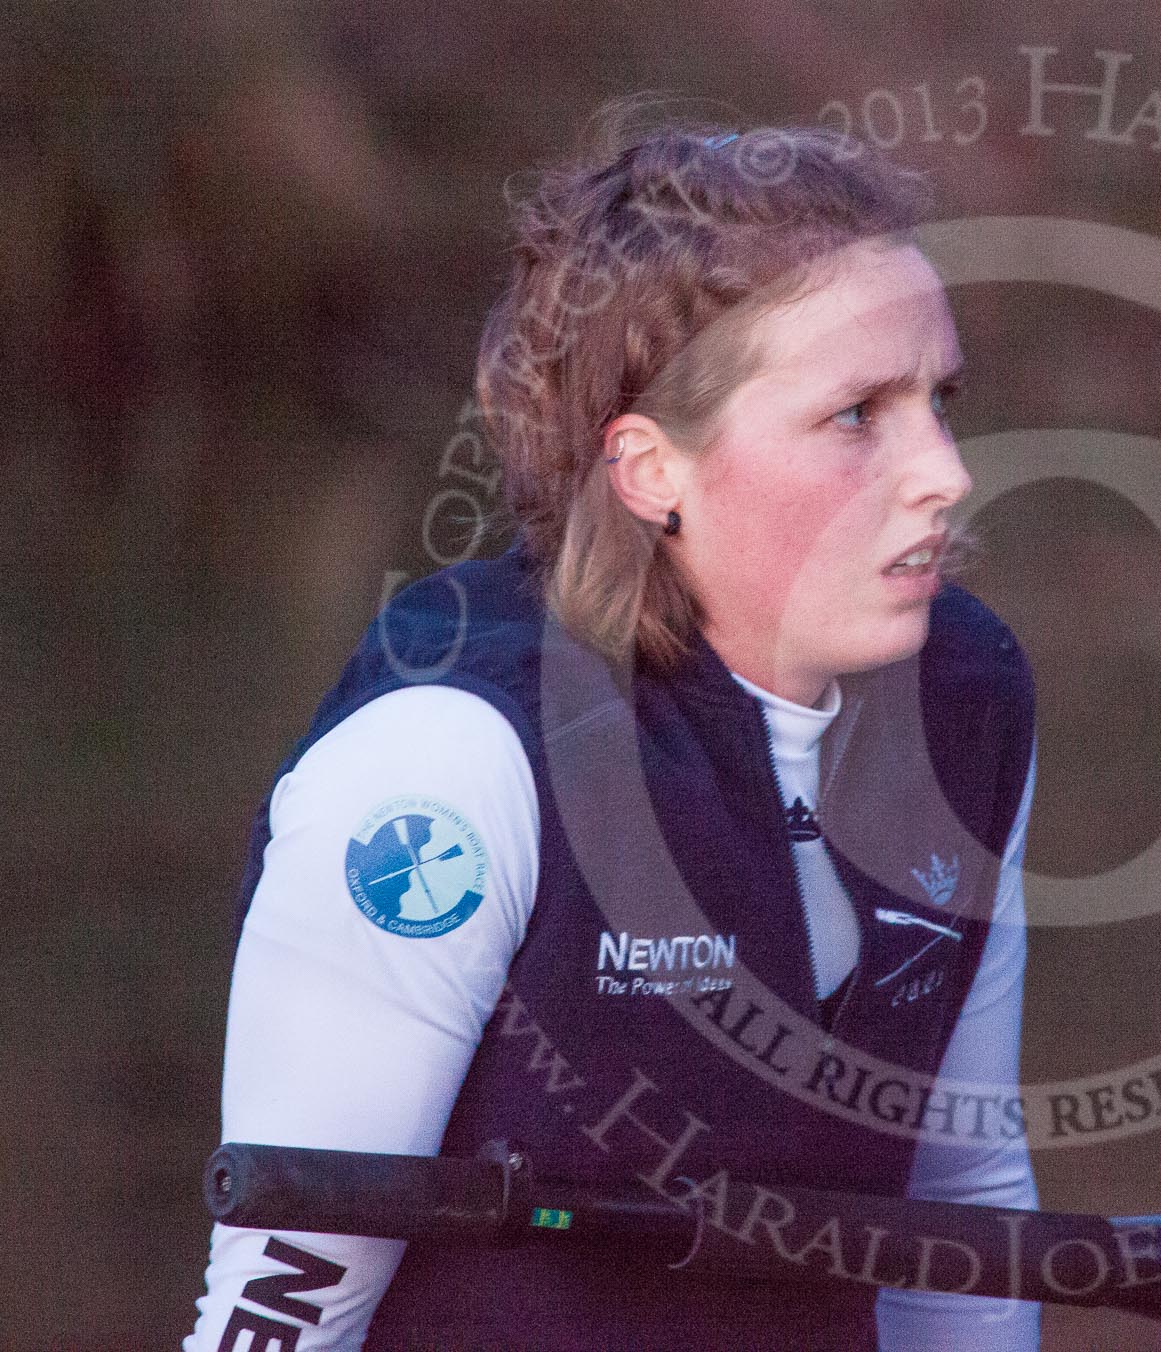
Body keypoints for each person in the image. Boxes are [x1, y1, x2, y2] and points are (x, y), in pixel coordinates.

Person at [185, 108, 1042, 1350]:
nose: (945, 472)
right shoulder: (446, 767)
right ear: (650, 469)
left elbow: (960, 1211)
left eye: (938, 400)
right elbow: (280, 1304)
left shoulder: (967, 702)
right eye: (858, 414)